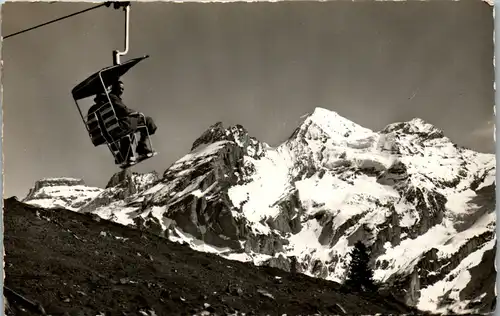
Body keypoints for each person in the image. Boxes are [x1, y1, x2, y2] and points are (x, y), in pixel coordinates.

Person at [87, 80, 157, 164]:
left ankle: (124, 154)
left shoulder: (91, 110)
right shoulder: (111, 99)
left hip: (103, 136)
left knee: (129, 126)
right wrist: (136, 113)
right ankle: (141, 146)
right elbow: (124, 111)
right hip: (118, 129)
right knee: (147, 120)